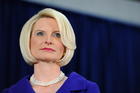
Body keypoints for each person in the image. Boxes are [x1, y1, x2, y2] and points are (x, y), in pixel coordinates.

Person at [2, 8, 100, 93]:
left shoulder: (87, 89)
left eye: (57, 35)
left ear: (66, 45)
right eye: (40, 33)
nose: (48, 41)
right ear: (28, 41)